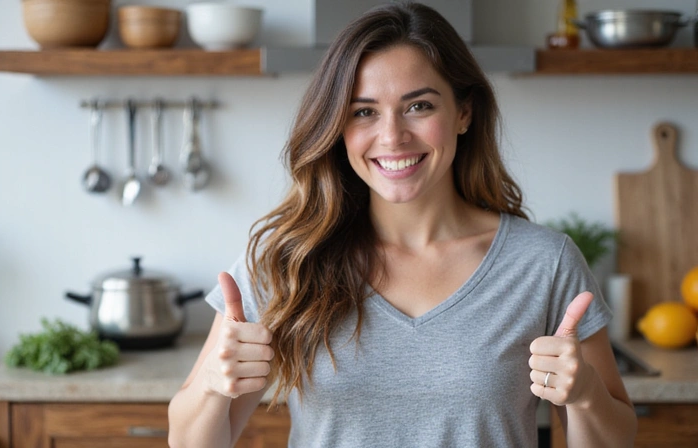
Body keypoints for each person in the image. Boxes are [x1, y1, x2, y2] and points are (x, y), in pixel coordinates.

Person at [167, 2, 637, 447]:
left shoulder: (544, 264)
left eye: (419, 106)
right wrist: (213, 386)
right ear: (337, 126)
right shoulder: (289, 262)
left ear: (464, 112)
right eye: (363, 111)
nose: (392, 136)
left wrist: (587, 395)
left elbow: (617, 439)